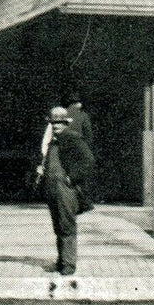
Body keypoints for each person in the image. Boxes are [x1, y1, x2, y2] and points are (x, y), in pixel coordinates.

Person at [34, 105, 95, 275]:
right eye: (53, 123)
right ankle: (61, 261)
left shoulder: (73, 138)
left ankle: (69, 264)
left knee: (67, 225)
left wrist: (72, 177)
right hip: (52, 188)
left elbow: (89, 161)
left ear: (66, 123)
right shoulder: (53, 142)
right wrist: (42, 169)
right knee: (58, 226)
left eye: (59, 123)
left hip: (65, 189)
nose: (56, 126)